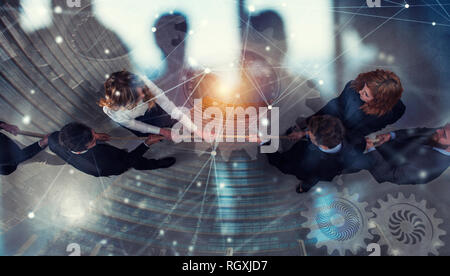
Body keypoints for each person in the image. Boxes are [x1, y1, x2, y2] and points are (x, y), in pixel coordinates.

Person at [287, 69, 406, 143]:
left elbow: (372, 127)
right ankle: (306, 125)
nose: (360, 91)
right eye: (363, 87)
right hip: (336, 111)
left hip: (349, 132)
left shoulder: (396, 110)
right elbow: (336, 105)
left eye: (366, 94)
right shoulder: (352, 87)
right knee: (321, 116)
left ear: (379, 101)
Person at [266, 115, 370, 193]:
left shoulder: (302, 161)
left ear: (319, 144)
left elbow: (282, 164)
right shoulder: (357, 140)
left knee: (292, 169)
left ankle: (303, 188)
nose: (307, 132)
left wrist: (264, 144)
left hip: (313, 171)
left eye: (310, 133)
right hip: (333, 167)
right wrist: (303, 134)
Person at [48, 122, 176, 177]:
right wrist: (147, 143)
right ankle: (152, 164)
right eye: (93, 140)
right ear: (86, 147)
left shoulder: (55, 139)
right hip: (116, 164)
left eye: (92, 132)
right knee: (132, 161)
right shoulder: (102, 165)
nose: (96, 137)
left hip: (97, 154)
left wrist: (95, 136)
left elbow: (60, 137)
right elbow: (126, 162)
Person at [100, 71, 198, 139]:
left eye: (143, 90)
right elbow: (135, 125)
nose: (143, 95)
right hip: (137, 120)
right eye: (137, 97)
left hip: (152, 109)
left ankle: (173, 125)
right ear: (124, 102)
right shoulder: (111, 111)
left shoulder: (141, 81)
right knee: (153, 132)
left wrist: (192, 127)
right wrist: (162, 132)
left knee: (166, 118)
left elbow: (166, 104)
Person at [366, 123, 450, 185]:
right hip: (380, 146)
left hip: (371, 168)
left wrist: (371, 150)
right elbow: (419, 131)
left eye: (444, 135)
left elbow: (387, 174)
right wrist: (391, 135)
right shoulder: (441, 133)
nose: (437, 130)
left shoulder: (433, 166)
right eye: (442, 128)